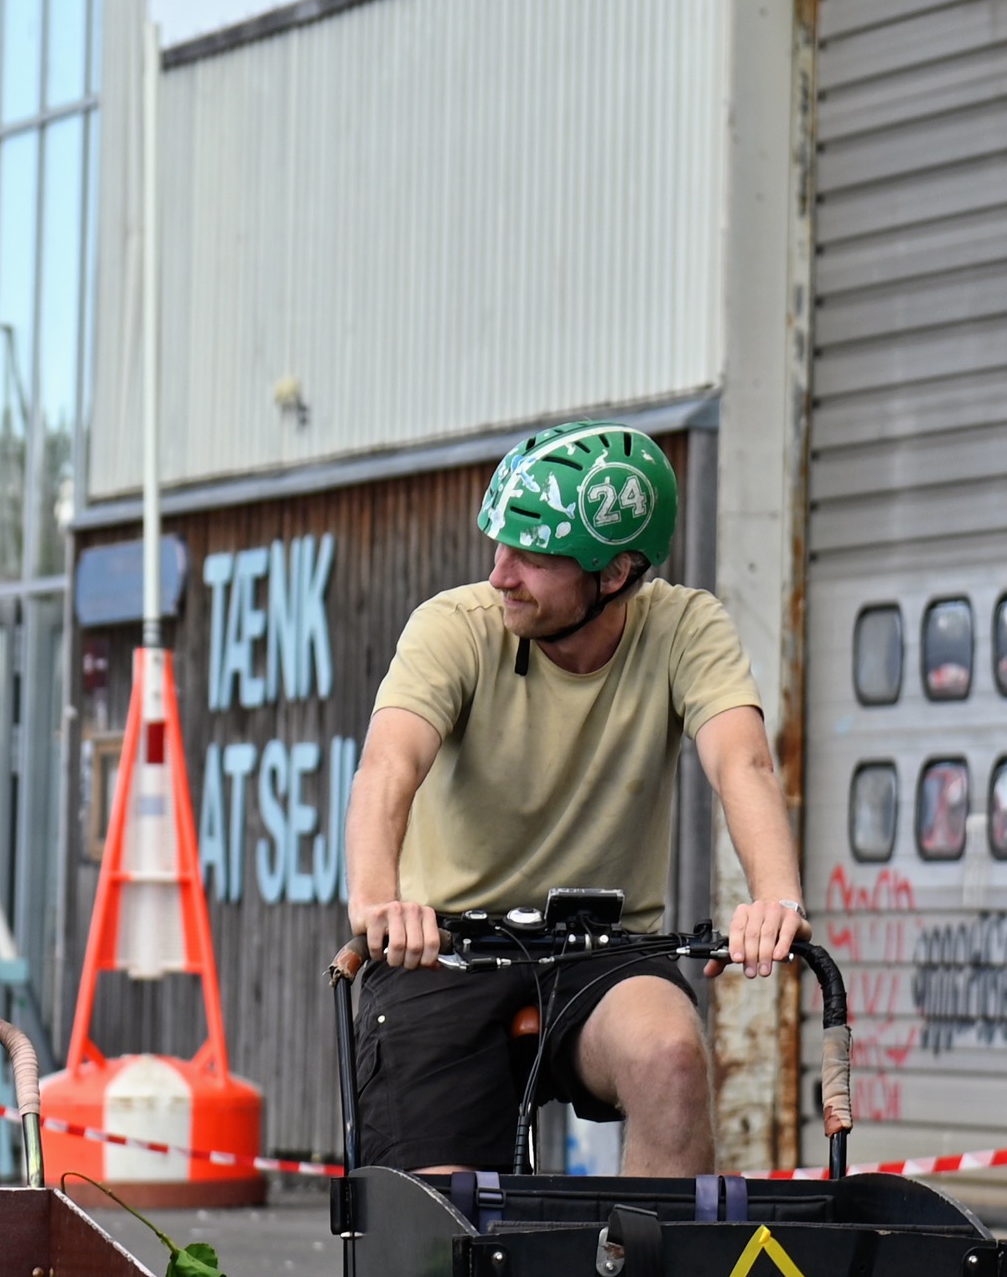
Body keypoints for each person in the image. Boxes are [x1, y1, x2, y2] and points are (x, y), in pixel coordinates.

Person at [342, 422, 808, 1177]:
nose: (500, 574)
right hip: (446, 949)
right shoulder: (453, 628)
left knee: (673, 1061)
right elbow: (387, 767)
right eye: (498, 545)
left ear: (617, 573)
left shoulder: (684, 628)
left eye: (531, 555)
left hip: (602, 948)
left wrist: (775, 898)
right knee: (430, 1226)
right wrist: (377, 902)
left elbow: (743, 763)